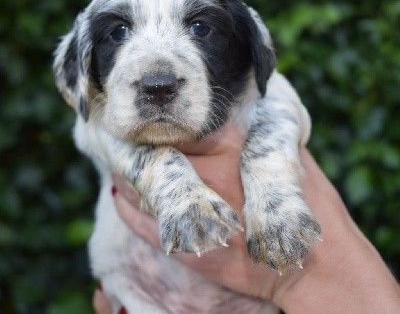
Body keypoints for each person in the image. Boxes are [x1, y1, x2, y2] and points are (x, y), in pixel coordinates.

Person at [93, 123, 400, 313]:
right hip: (141, 291)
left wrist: (299, 279)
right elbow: (93, 129)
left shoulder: (267, 99)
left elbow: (282, 110)